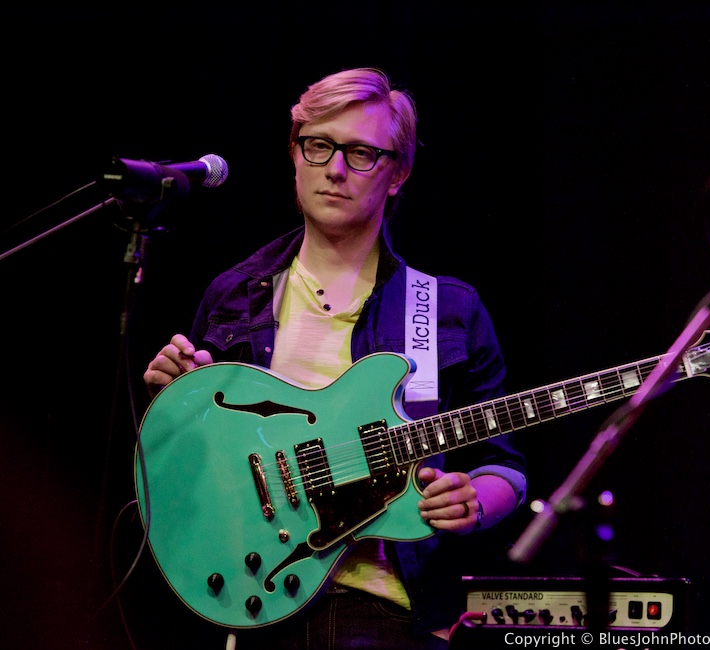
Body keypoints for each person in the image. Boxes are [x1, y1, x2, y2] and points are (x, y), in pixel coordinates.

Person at [142, 67, 527, 649]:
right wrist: (174, 401)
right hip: (249, 590)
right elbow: (195, 462)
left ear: (398, 174)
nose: (335, 168)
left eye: (362, 153)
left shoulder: (446, 308)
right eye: (318, 145)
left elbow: (506, 467)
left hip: (374, 603)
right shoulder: (233, 293)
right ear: (294, 155)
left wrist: (475, 499)